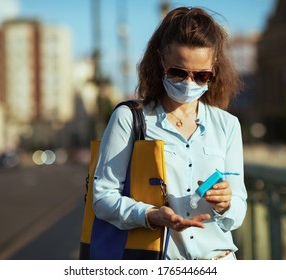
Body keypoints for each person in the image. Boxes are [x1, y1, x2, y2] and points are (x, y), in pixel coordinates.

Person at [92, 6, 247, 260]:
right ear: (160, 60)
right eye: (177, 72)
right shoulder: (129, 119)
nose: (188, 83)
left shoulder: (228, 125)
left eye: (201, 75)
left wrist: (227, 204)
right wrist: (150, 215)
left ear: (214, 71)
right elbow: (102, 198)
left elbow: (238, 213)